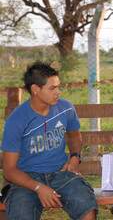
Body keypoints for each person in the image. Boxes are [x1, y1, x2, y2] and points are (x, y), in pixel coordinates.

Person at [1, 62, 97, 219]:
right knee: (21, 214)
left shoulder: (65, 108)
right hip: (27, 179)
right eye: (52, 88)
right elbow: (9, 170)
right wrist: (39, 187)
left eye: (59, 86)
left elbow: (74, 135)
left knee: (87, 208)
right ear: (35, 90)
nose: (58, 92)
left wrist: (75, 157)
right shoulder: (17, 120)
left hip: (61, 174)